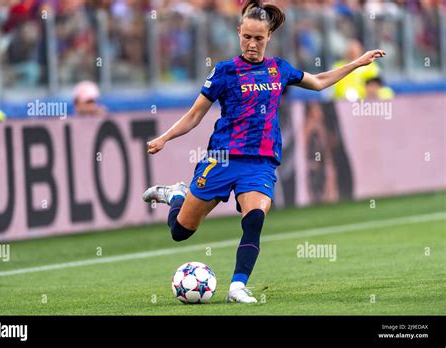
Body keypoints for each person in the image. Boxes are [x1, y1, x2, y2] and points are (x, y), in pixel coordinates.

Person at [143, 0, 386, 303]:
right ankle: (177, 196)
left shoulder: (279, 69)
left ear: (269, 36)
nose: (252, 44)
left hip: (260, 163)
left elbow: (320, 82)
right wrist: (164, 138)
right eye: (247, 37)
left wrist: (356, 63)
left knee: (255, 217)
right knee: (181, 232)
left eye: (259, 38)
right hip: (221, 158)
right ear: (239, 32)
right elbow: (195, 116)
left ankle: (237, 286)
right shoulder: (224, 71)